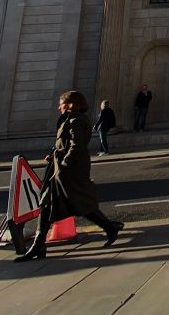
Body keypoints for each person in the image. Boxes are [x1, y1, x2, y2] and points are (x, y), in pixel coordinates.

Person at [16, 90, 124, 262]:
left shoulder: (76, 120)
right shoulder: (72, 119)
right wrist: (54, 154)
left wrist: (64, 163)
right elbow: (65, 143)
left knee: (74, 203)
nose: (59, 107)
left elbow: (76, 145)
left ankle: (109, 227)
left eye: (61, 103)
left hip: (70, 169)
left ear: (70, 104)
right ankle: (39, 244)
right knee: (51, 204)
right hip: (64, 167)